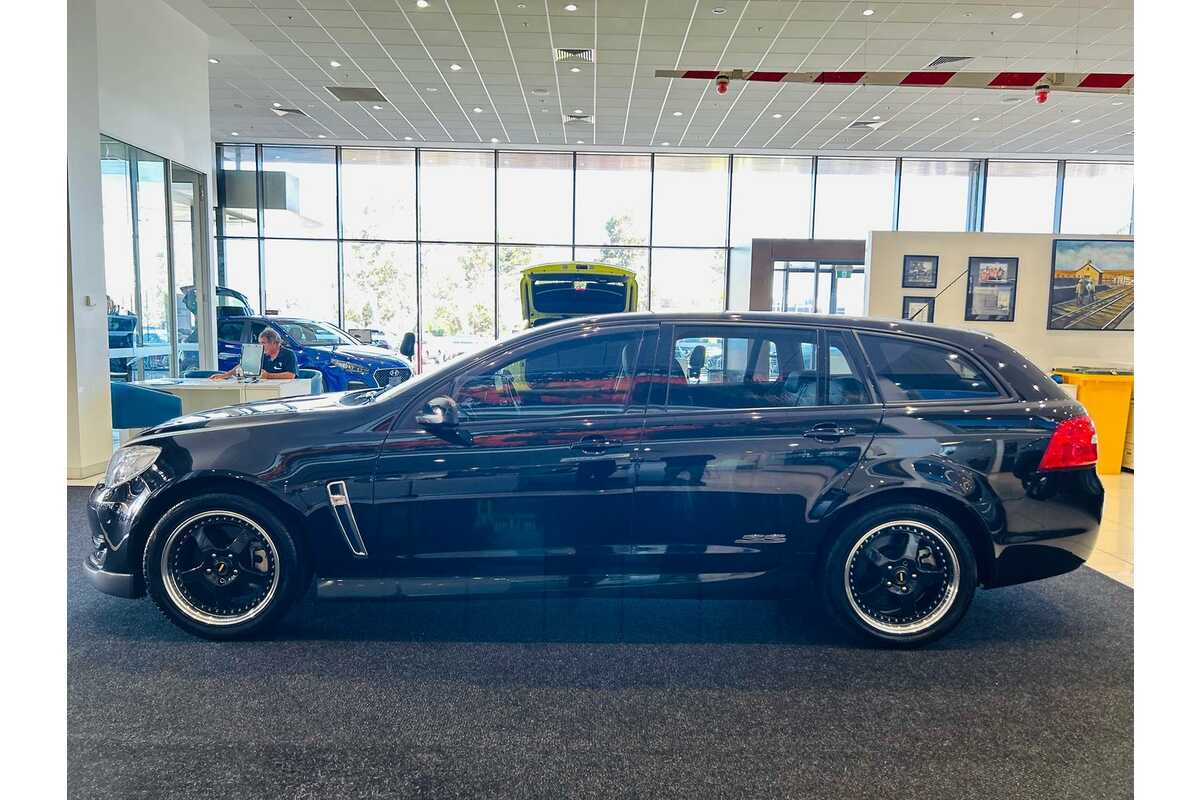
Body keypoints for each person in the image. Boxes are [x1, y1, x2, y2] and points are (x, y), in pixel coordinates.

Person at [210, 328, 297, 381]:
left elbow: (290, 375)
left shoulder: (288, 354)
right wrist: (224, 375)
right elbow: (244, 366)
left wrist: (268, 376)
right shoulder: (261, 353)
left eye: (263, 343)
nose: (261, 346)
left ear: (274, 343)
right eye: (260, 343)